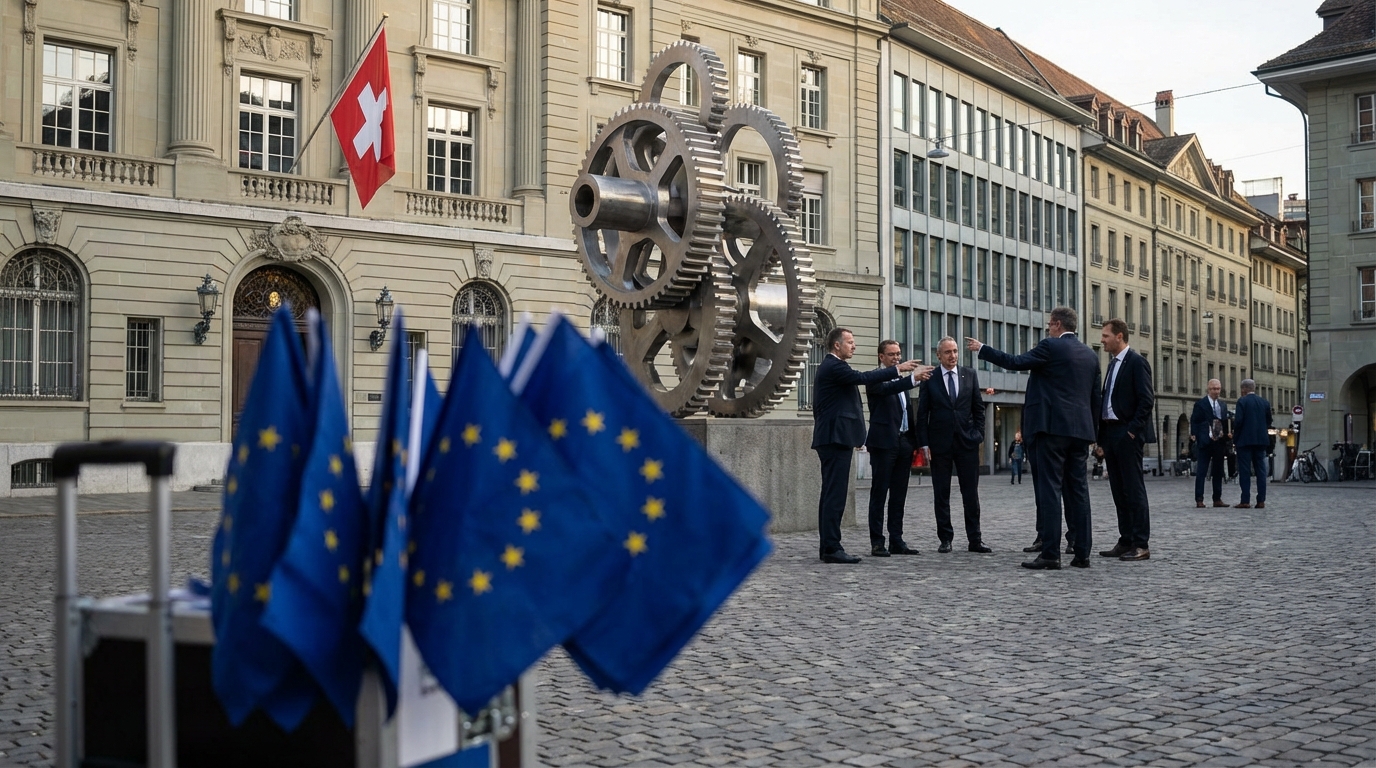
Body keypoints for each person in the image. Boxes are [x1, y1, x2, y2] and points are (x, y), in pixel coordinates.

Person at [966, 307, 1100, 569]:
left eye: (1050, 324)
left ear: (1058, 325)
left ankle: (1051, 553)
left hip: (1051, 429)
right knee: (1079, 492)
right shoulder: (1090, 355)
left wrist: (983, 349)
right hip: (1081, 431)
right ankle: (1082, 552)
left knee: (1050, 490)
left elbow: (1015, 362)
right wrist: (1092, 432)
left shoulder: (1050, 347)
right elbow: (1096, 397)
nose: (1048, 328)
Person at [812, 327, 926, 564]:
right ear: (837, 345)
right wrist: (898, 370)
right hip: (835, 437)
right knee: (835, 495)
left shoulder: (834, 367)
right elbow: (863, 378)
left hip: (837, 437)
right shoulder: (834, 366)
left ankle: (830, 546)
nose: (854, 346)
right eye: (850, 342)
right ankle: (832, 547)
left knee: (833, 494)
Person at [914, 337, 990, 554]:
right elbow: (923, 413)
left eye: (955, 351)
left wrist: (978, 434)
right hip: (940, 444)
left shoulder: (970, 375)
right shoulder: (930, 378)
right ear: (939, 355)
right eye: (947, 352)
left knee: (970, 493)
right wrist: (924, 443)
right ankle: (945, 538)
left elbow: (978, 408)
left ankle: (975, 539)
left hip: (967, 443)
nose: (953, 356)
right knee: (941, 493)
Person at [1096, 319, 1157, 562]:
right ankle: (1126, 539)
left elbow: (1146, 400)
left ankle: (1141, 543)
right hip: (1110, 433)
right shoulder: (1112, 365)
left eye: (1105, 335)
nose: (1102, 340)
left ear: (1119, 336)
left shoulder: (1136, 362)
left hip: (1126, 433)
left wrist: (1132, 431)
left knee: (1133, 490)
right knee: (1118, 491)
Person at [864, 340, 930, 557]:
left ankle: (896, 539)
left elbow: (907, 412)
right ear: (881, 357)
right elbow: (888, 388)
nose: (896, 358)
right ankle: (877, 541)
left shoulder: (901, 380)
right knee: (879, 493)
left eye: (898, 354)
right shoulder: (875, 378)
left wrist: (913, 442)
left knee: (899, 495)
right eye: (891, 354)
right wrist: (912, 378)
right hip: (883, 444)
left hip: (903, 443)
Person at [1232, 379, 1273, 509]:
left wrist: (1235, 438)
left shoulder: (1242, 401)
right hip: (1260, 441)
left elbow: (1238, 422)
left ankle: (1245, 500)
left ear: (1243, 389)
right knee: (1261, 471)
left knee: (1245, 471)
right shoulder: (1264, 402)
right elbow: (1269, 421)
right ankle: (1261, 500)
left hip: (1244, 441)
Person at [1191, 379, 1231, 508]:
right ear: (1208, 389)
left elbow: (1225, 421)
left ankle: (1217, 498)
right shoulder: (1200, 404)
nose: (1216, 391)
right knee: (1201, 471)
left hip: (1219, 442)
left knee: (1218, 471)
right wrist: (1194, 434)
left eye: (1218, 389)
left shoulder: (1222, 405)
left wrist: (1227, 434)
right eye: (1214, 389)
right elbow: (1194, 421)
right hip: (1205, 441)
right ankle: (1199, 499)